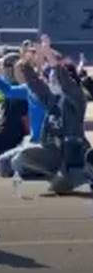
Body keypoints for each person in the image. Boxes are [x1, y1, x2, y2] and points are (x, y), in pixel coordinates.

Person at [6, 38, 90, 194]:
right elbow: (36, 84)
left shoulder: (76, 98)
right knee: (14, 161)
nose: (50, 80)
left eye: (53, 78)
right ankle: (56, 174)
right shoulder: (53, 99)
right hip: (53, 151)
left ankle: (84, 173)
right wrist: (26, 62)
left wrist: (50, 58)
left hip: (72, 154)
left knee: (60, 187)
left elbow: (65, 81)